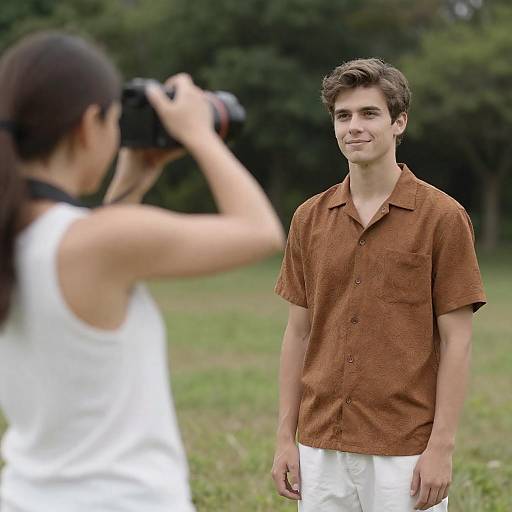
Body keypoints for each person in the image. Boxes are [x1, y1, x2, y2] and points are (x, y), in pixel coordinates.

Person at [0, 31, 284, 512]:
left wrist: (128, 185)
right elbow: (260, 232)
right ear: (90, 124)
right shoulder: (95, 243)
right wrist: (198, 132)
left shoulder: (26, 236)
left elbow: (86, 262)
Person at [271, 58, 486, 512]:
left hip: (404, 450)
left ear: (398, 121)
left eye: (369, 114)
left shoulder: (442, 218)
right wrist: (284, 439)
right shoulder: (308, 218)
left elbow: (457, 342)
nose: (354, 127)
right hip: (320, 444)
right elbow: (297, 333)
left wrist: (441, 448)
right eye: (343, 115)